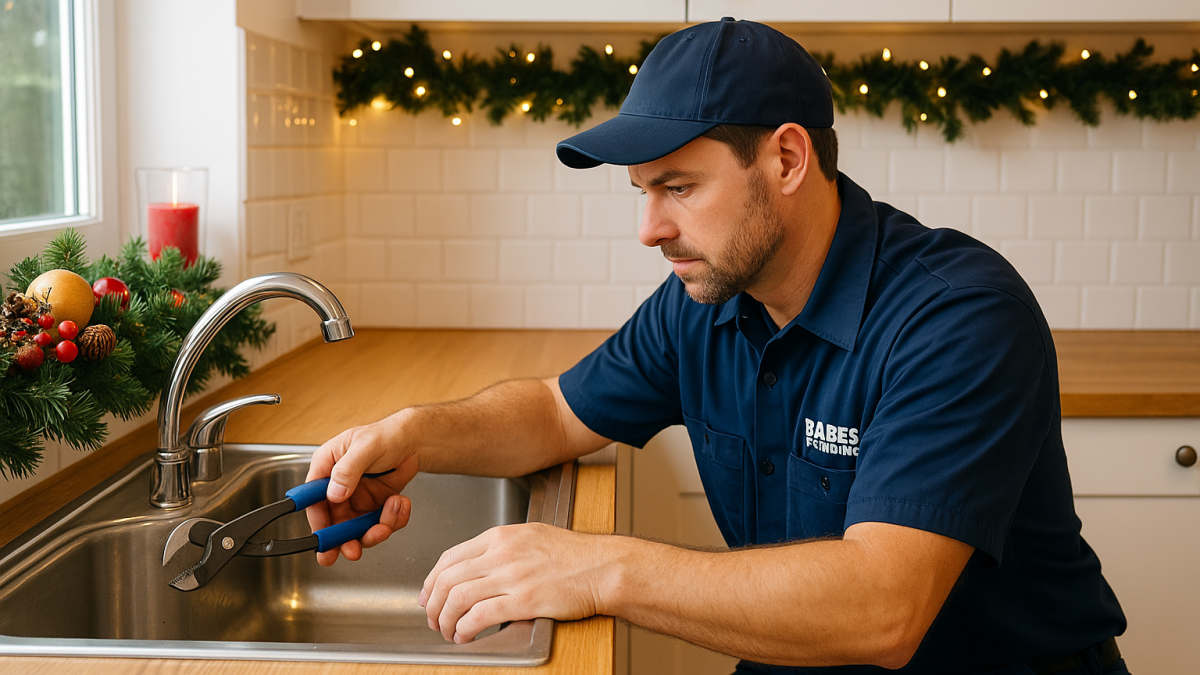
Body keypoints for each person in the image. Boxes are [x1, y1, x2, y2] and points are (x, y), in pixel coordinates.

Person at [304, 17, 1129, 675]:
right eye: (641, 193)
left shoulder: (955, 316)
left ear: (787, 157)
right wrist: (416, 433)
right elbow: (558, 410)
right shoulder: (706, 300)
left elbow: (885, 607)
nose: (649, 229)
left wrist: (597, 568)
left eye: (679, 187)